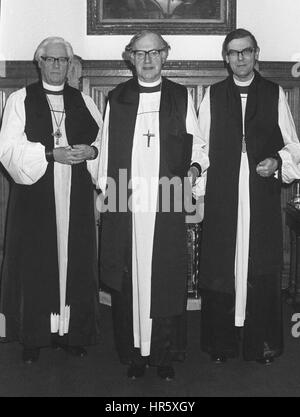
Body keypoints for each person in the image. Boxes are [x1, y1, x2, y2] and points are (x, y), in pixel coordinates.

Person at [97, 30, 209, 380]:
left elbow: (198, 147)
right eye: (140, 52)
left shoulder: (178, 96)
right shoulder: (118, 97)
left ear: (166, 55)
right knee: (129, 274)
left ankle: (164, 355)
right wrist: (107, 194)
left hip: (167, 194)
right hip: (126, 197)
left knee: (166, 273)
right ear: (129, 57)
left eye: (154, 52)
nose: (147, 59)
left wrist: (193, 170)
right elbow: (104, 160)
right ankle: (134, 355)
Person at [199, 28, 300, 364]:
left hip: (261, 192)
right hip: (223, 192)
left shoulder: (274, 93)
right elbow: (199, 146)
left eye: (246, 51)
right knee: (222, 260)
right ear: (225, 58)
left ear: (257, 54)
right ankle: (220, 344)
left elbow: (293, 145)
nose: (240, 58)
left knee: (260, 261)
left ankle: (263, 343)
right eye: (233, 52)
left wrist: (278, 160)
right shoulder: (212, 95)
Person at [0, 37, 103, 363]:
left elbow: (104, 142)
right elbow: (8, 148)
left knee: (75, 261)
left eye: (63, 60)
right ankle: (34, 335)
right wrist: (48, 153)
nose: (58, 65)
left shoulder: (84, 101)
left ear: (70, 64)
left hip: (76, 194)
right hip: (35, 194)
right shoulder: (20, 99)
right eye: (51, 59)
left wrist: (92, 151)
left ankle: (71, 333)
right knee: (36, 260)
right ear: (39, 62)